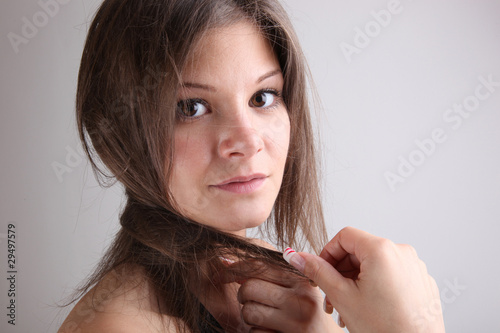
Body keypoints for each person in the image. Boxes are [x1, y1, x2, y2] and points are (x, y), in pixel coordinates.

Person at [59, 0, 445, 332]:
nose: (248, 141)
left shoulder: (270, 282)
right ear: (120, 134)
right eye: (190, 108)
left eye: (262, 97)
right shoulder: (119, 325)